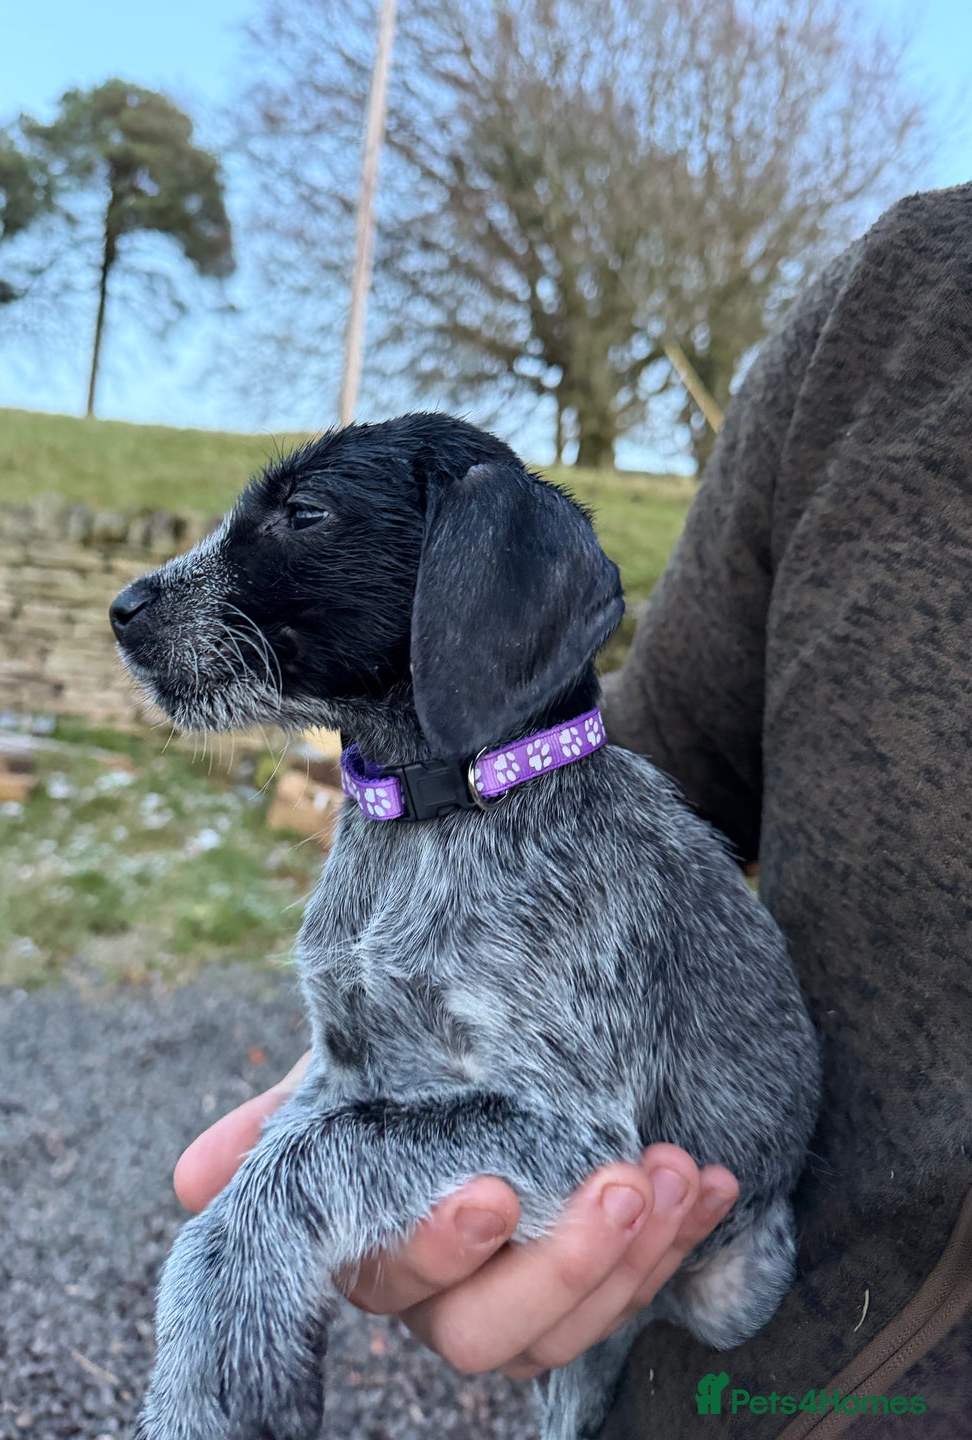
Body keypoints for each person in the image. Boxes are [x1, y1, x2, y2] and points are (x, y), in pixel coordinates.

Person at [173, 184, 972, 1436]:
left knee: (274, 1201)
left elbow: (565, 1138)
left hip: (767, 1274)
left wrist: (295, 1195)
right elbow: (635, 757)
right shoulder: (906, 306)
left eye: (300, 520)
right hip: (702, 1317)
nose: (163, 593)